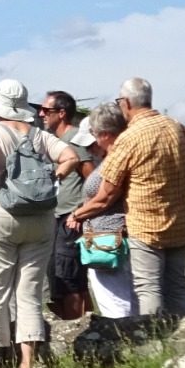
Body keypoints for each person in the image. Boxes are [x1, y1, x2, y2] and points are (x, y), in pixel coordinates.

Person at [0, 80, 80, 368]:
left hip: (1, 211)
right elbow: (72, 157)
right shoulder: (40, 135)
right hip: (40, 216)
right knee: (29, 293)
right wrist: (52, 176)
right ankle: (28, 363)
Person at [71, 77, 185, 318]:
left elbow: (108, 192)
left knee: (148, 287)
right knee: (178, 286)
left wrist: (77, 213)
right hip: (181, 220)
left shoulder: (130, 138)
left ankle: (151, 340)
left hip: (146, 223)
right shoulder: (176, 127)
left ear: (127, 103)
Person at [76, 105, 137, 318]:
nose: (91, 148)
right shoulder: (109, 159)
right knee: (118, 296)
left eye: (93, 139)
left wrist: (78, 214)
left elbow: (105, 198)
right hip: (106, 235)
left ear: (104, 134)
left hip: (110, 237)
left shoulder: (114, 159)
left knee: (116, 300)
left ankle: (124, 339)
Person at [39, 91, 93, 321]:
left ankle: (76, 330)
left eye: (46, 110)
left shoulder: (74, 140)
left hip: (70, 219)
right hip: (56, 218)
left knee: (69, 278)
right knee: (59, 280)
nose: (41, 114)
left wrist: (81, 212)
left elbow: (92, 179)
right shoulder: (55, 142)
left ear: (61, 113)